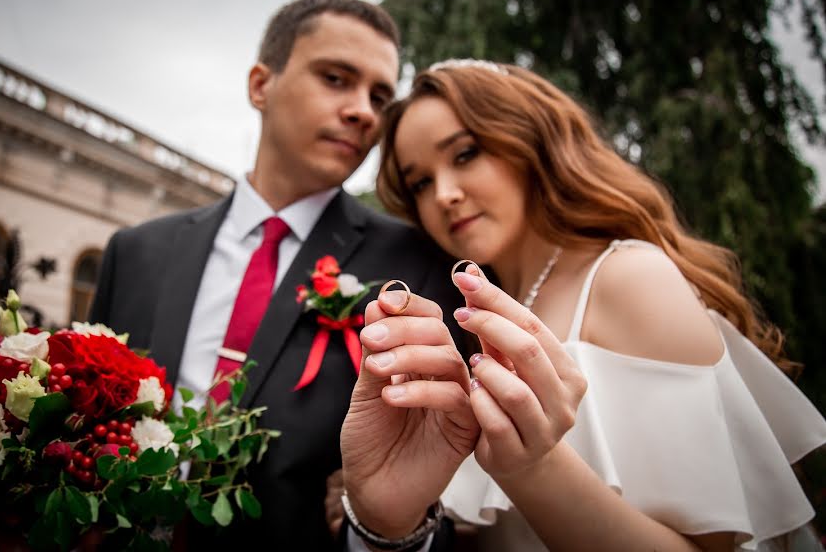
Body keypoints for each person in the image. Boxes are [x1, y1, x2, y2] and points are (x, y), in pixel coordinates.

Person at [340, 59, 826, 551]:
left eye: (465, 154)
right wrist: (397, 513)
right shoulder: (464, 323)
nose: (444, 194)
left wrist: (535, 467)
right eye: (420, 182)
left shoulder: (630, 279)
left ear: (532, 141)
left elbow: (718, 546)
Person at [89, 0, 463, 549]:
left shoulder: (417, 271)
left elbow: (433, 486)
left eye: (380, 96)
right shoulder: (136, 253)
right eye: (336, 78)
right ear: (261, 85)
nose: (364, 110)